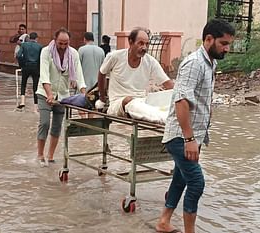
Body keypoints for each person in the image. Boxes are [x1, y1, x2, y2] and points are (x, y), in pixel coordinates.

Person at [155, 19, 235, 233]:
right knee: (197, 183)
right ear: (209, 39)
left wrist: (196, 138)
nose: (227, 49)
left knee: (181, 179)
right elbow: (181, 101)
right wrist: (189, 139)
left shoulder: (211, 62)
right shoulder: (194, 63)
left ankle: (164, 222)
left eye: (229, 44)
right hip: (181, 136)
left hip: (194, 136)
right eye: (223, 43)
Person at [96, 27, 174, 119]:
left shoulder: (150, 61)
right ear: (130, 42)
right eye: (140, 43)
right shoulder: (115, 57)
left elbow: (167, 83)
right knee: (129, 101)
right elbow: (102, 73)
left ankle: (171, 117)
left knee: (169, 96)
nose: (144, 47)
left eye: (146, 44)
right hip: (119, 103)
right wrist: (102, 98)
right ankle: (165, 119)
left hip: (143, 102)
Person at [36, 28, 86, 167]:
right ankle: (40, 155)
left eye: (66, 44)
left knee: (57, 126)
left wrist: (83, 96)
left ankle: (50, 155)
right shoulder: (46, 52)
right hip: (44, 93)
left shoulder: (73, 54)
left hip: (63, 96)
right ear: (55, 40)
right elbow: (44, 74)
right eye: (60, 43)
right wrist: (50, 94)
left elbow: (79, 75)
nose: (63, 47)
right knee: (45, 123)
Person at [16, 32, 43, 111]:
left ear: (29, 38)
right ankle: (35, 106)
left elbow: (18, 55)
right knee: (35, 86)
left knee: (23, 83)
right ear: (36, 38)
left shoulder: (24, 45)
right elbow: (41, 58)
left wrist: (21, 64)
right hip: (36, 68)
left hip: (26, 66)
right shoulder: (40, 46)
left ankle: (22, 102)